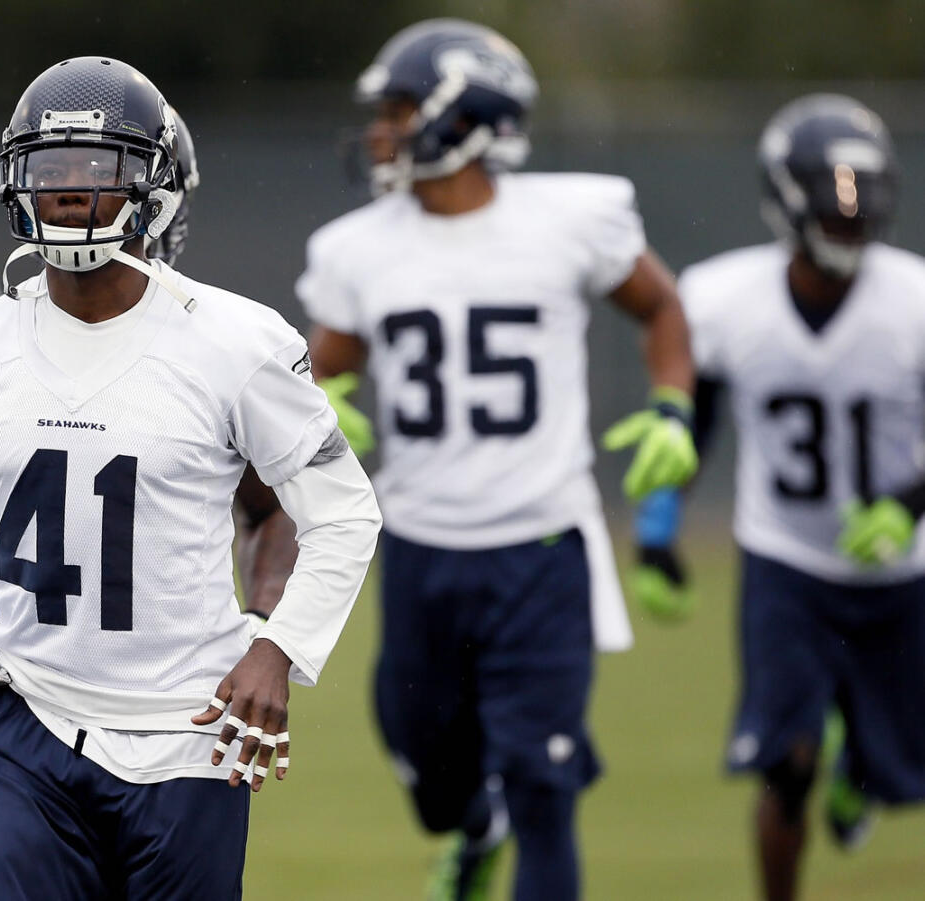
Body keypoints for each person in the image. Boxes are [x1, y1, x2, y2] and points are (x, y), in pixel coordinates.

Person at [0, 57, 382, 901]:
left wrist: (279, 646)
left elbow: (344, 513)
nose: (67, 190)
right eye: (49, 168)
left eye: (98, 168)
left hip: (187, 732)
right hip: (24, 719)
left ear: (155, 185)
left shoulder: (237, 343)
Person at [297, 19, 697, 901]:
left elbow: (663, 310)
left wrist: (674, 409)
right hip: (418, 546)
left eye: (399, 109)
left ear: (465, 116)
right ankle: (475, 830)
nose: (380, 132)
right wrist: (327, 406)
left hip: (541, 545)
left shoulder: (568, 219)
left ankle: (512, 817)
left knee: (544, 786)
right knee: (432, 778)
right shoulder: (358, 247)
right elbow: (320, 371)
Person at [657, 94, 925, 901]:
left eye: (861, 195)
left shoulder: (913, 300)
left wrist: (908, 505)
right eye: (833, 195)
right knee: (785, 761)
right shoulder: (724, 296)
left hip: (903, 568)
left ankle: (866, 772)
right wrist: (661, 523)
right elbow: (692, 421)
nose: (848, 214)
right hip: (786, 561)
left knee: (904, 765)